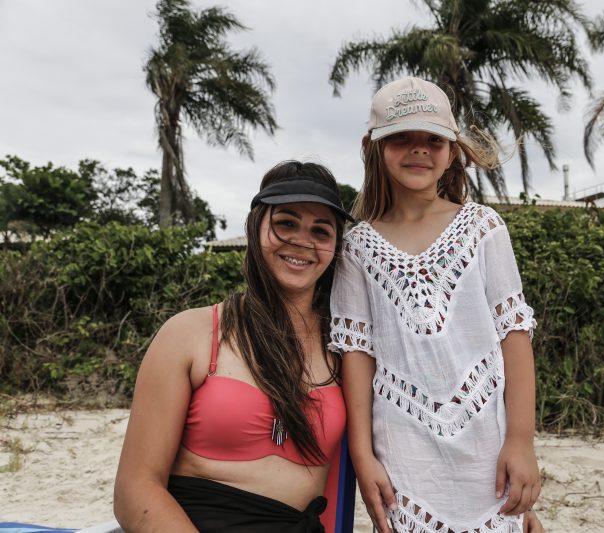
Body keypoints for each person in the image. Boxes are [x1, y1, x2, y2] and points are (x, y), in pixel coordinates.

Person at [329, 76, 543, 533]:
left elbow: (514, 336)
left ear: (451, 152)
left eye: (433, 139)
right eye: (401, 138)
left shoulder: (483, 227)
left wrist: (521, 441)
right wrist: (362, 455)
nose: (418, 149)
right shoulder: (357, 249)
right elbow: (357, 356)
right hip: (403, 456)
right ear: (373, 147)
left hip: (488, 451)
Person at [114, 161, 355, 532]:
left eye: (321, 230)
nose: (302, 240)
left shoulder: (344, 347)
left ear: (334, 247)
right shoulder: (190, 334)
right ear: (255, 227)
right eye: (286, 223)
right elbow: (135, 490)